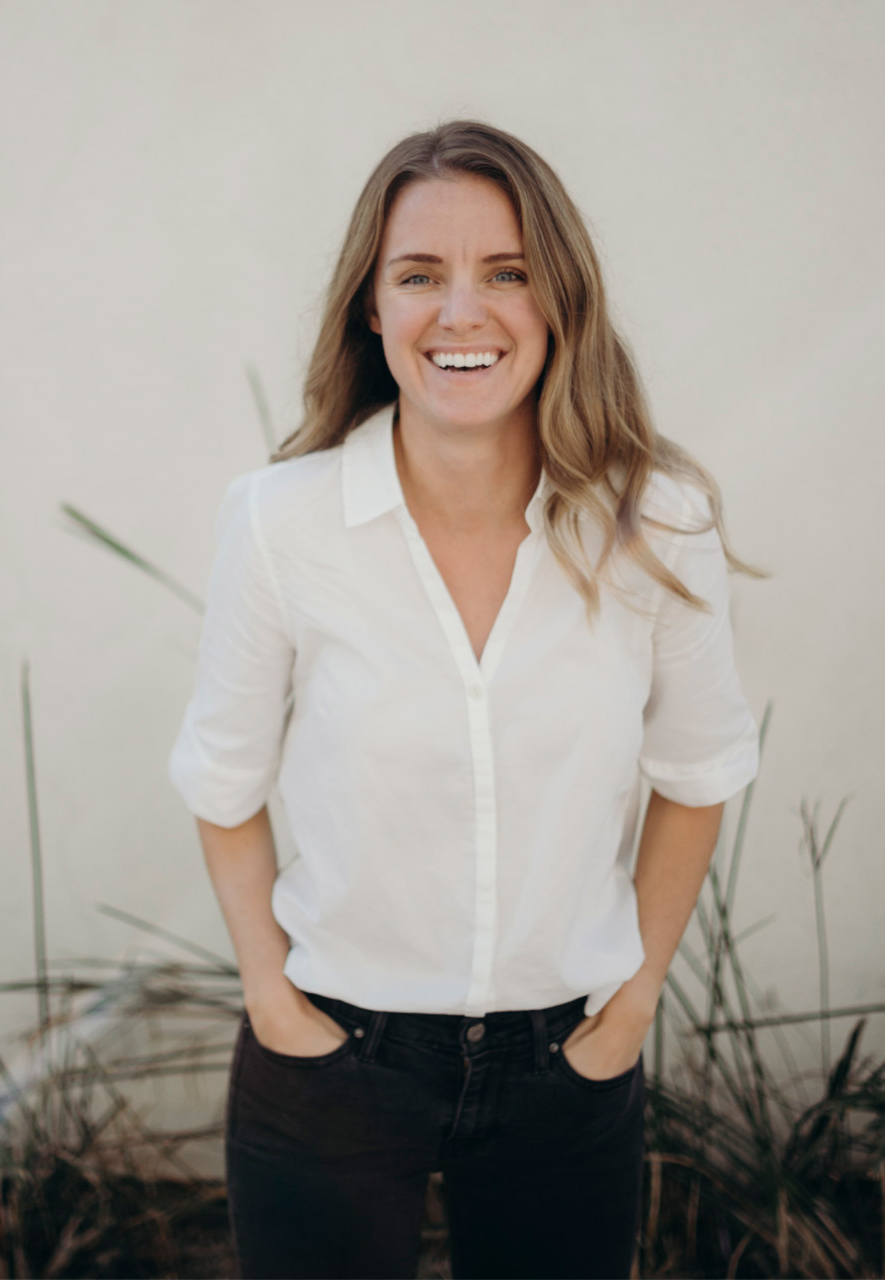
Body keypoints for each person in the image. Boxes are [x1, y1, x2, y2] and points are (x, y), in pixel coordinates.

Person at [166, 120, 764, 1279]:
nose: (461, 312)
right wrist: (273, 997)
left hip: (568, 1063)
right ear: (371, 306)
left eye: (506, 271)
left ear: (560, 297)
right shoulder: (282, 522)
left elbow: (699, 773)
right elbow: (222, 780)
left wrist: (631, 1007)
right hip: (331, 1058)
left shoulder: (658, 521)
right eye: (418, 275)